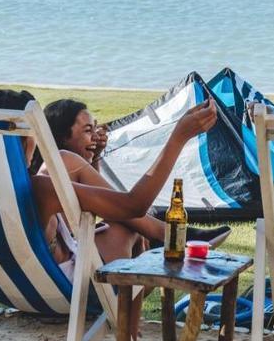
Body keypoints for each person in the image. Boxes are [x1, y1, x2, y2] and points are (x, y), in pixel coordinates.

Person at [0, 88, 219, 341]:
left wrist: (94, 161)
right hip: (61, 291)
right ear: (23, 138)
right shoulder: (37, 189)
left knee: (124, 227)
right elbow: (133, 205)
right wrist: (178, 137)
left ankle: (165, 238)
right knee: (129, 230)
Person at [40, 98, 231, 249]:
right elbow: (128, 206)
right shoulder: (60, 164)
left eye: (95, 128)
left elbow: (98, 204)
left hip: (71, 252)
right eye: (88, 130)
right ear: (61, 137)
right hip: (69, 268)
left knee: (129, 227)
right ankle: (166, 234)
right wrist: (179, 137)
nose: (96, 137)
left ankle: (161, 236)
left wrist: (95, 156)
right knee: (126, 224)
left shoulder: (47, 177)